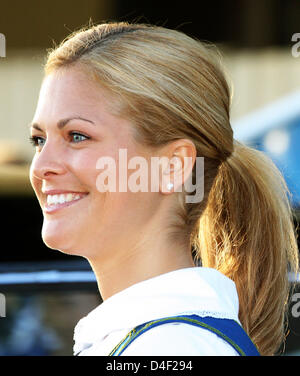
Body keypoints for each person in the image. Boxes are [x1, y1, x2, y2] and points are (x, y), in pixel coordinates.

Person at [29, 21, 299, 356]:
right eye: (39, 140)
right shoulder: (161, 339)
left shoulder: (169, 346)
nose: (41, 167)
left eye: (77, 136)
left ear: (173, 166)